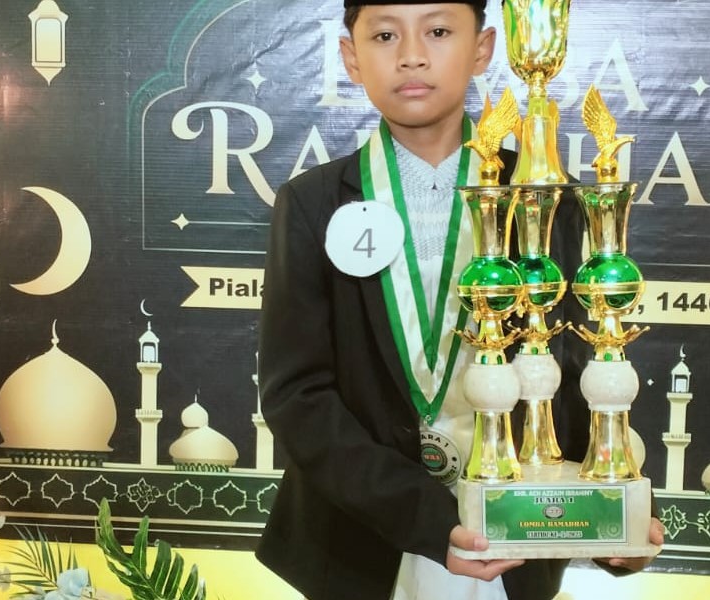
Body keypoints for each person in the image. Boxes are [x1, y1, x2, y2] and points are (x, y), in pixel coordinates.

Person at [256, 2, 664, 599]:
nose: (411, 55)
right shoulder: (312, 203)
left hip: (517, 542)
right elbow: (297, 395)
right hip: (359, 541)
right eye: (385, 35)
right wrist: (427, 516)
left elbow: (578, 367)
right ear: (351, 56)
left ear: (482, 48)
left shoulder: (545, 198)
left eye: (439, 30)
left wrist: (613, 512)